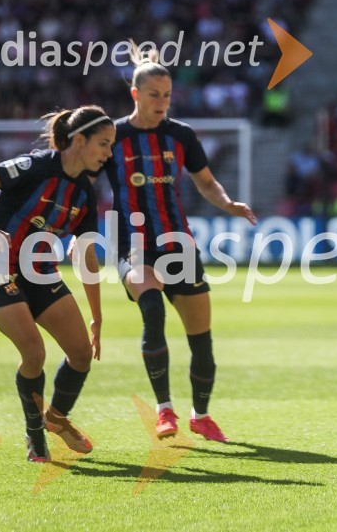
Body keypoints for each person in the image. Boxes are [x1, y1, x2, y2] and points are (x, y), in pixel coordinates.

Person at [93, 44, 256, 442]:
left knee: (201, 338)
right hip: (132, 242)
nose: (162, 102)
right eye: (154, 95)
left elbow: (205, 181)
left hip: (177, 243)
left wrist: (227, 202)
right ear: (135, 94)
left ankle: (201, 415)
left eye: (167, 95)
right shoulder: (113, 136)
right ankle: (164, 411)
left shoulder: (181, 135)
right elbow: (84, 177)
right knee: (153, 311)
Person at [0, 105, 114, 462]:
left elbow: (88, 256)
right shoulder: (35, 165)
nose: (109, 153)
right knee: (34, 352)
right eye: (104, 144)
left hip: (40, 271)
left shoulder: (84, 195)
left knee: (80, 354)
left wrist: (97, 316)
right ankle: (35, 437)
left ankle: (56, 419)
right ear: (80, 140)